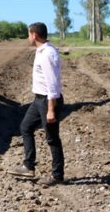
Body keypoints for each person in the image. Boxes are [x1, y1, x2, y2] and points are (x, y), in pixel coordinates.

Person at [8, 22, 65, 186]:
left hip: (48, 100)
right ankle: (28, 166)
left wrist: (51, 110)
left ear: (34, 35)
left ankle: (57, 175)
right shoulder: (42, 51)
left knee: (52, 139)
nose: (28, 38)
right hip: (38, 99)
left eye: (28, 34)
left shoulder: (47, 54)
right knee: (25, 127)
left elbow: (52, 84)